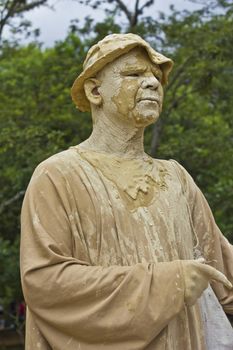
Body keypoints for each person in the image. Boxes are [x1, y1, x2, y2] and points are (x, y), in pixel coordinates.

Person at [20, 33, 233, 350]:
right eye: (134, 74)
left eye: (156, 77)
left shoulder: (176, 177)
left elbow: (222, 272)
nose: (152, 83)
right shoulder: (57, 175)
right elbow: (45, 283)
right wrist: (165, 284)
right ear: (95, 91)